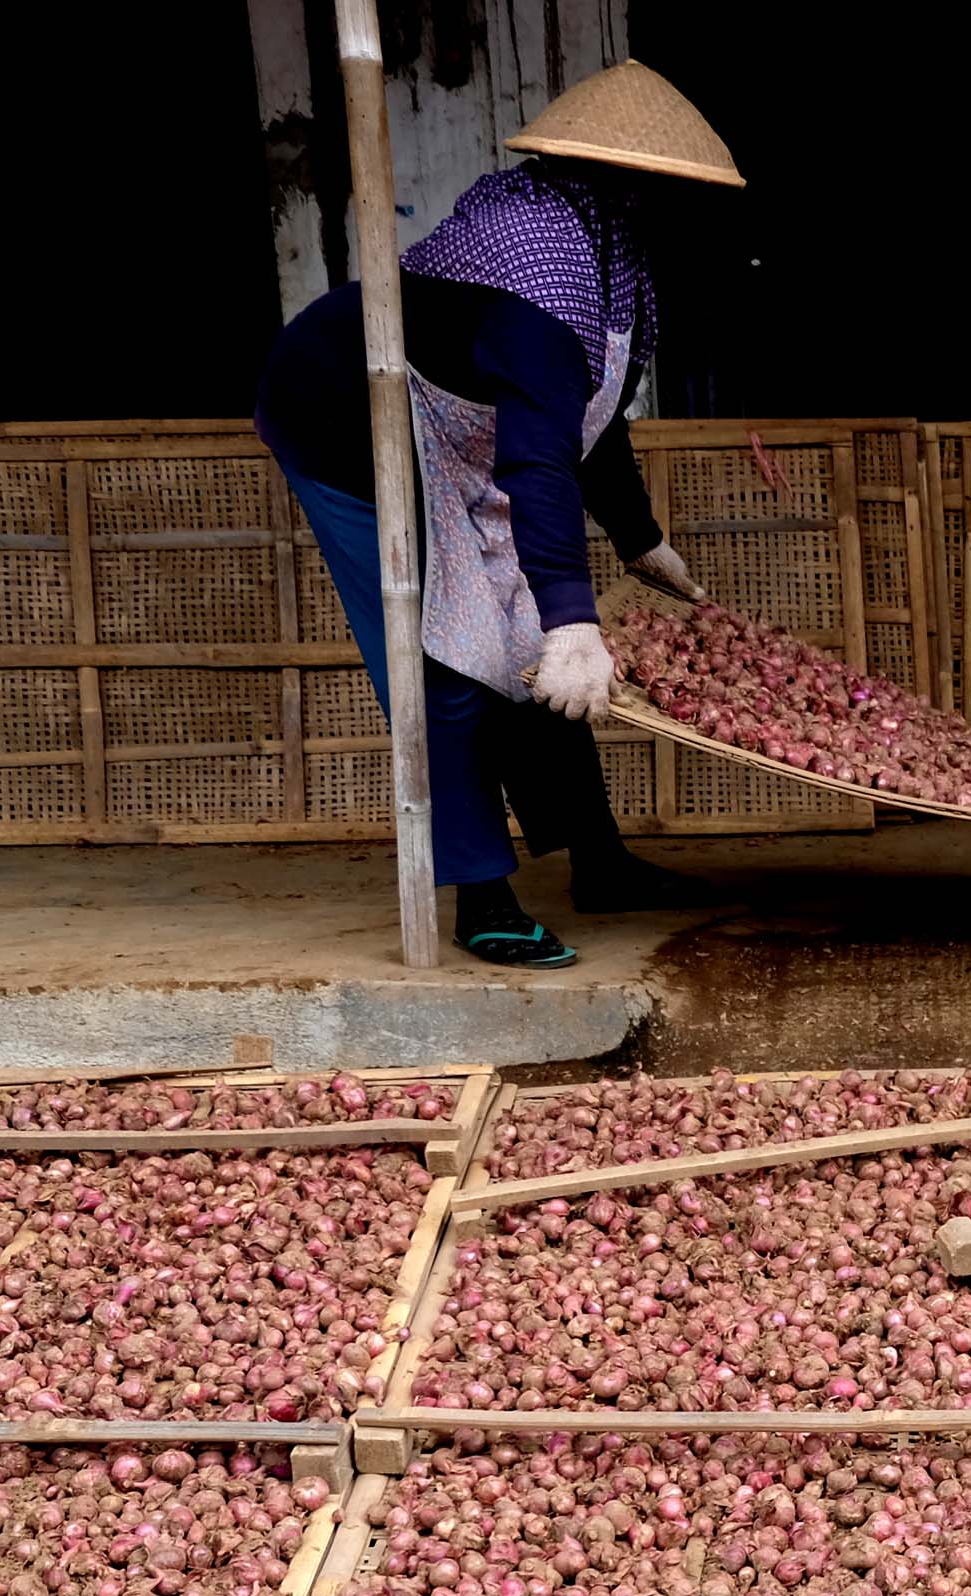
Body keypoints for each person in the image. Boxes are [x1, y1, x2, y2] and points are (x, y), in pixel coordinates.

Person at [254, 59, 737, 968]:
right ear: (630, 181)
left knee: (532, 642)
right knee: (451, 656)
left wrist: (640, 541)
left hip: (461, 433)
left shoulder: (610, 256)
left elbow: (586, 419)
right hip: (349, 428)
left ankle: (599, 861)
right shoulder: (538, 261)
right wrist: (572, 616)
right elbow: (537, 457)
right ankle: (481, 896)